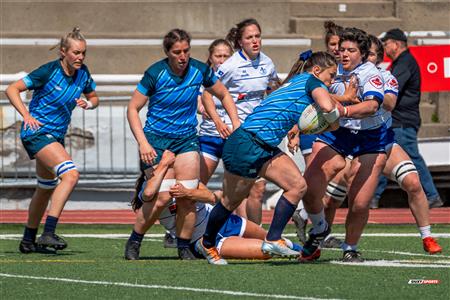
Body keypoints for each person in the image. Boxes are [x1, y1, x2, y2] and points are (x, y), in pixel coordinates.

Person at [197, 51, 345, 265]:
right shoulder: (312, 82)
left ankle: (273, 238)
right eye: (331, 75)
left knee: (297, 186)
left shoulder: (298, 81)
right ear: (316, 71)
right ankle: (207, 242)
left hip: (260, 144)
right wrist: (334, 122)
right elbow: (328, 107)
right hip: (248, 142)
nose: (331, 82)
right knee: (230, 202)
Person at [124, 29, 240, 260]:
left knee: (188, 195)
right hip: (156, 141)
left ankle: (184, 246)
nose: (183, 56)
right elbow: (132, 109)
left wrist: (234, 122)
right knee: (163, 197)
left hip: (186, 139)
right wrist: (143, 143)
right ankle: (135, 240)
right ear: (168, 52)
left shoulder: (200, 70)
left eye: (186, 51)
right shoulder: (156, 73)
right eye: (177, 52)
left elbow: (224, 94)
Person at [6, 27, 99, 253]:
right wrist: (26, 115)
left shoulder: (83, 73)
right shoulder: (48, 71)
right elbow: (12, 89)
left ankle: (28, 240)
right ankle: (49, 231)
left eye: (83, 53)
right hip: (37, 133)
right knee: (71, 175)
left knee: (46, 187)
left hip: (56, 136)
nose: (80, 57)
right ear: (63, 52)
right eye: (76, 53)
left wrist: (89, 104)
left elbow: (94, 97)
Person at [301, 28, 388, 263]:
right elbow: (311, 96)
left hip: (370, 137)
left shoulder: (372, 74)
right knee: (309, 186)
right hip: (338, 132)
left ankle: (350, 247)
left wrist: (344, 109)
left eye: (351, 50)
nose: (345, 54)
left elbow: (371, 106)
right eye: (342, 50)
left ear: (362, 53)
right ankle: (317, 229)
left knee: (359, 203)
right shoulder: (332, 70)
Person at [131, 150, 301, 260]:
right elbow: (148, 194)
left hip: (222, 222)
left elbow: (211, 197)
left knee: (270, 238)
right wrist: (164, 164)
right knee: (265, 253)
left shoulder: (183, 177)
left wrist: (187, 193)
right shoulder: (148, 188)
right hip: (201, 239)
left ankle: (304, 252)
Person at [365, 35, 442, 254]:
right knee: (339, 188)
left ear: (396, 44)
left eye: (374, 52)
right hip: (357, 138)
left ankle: (430, 206)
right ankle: (318, 229)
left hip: (400, 123)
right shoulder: (351, 75)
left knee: (411, 168)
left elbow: (389, 99)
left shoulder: (399, 67)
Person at [202, 18, 280, 225]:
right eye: (249, 37)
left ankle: (257, 235)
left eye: (257, 36)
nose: (255, 41)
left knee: (257, 189)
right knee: (230, 189)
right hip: (236, 134)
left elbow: (274, 92)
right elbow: (207, 94)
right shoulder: (230, 66)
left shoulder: (267, 62)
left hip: (259, 133)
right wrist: (219, 121)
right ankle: (198, 230)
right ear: (240, 41)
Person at [376, 28, 443, 209]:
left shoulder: (404, 63)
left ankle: (431, 195)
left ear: (396, 44)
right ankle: (372, 197)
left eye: (386, 43)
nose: (384, 47)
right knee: (383, 156)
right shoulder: (401, 62)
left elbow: (393, 87)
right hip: (400, 120)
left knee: (409, 158)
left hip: (402, 121)